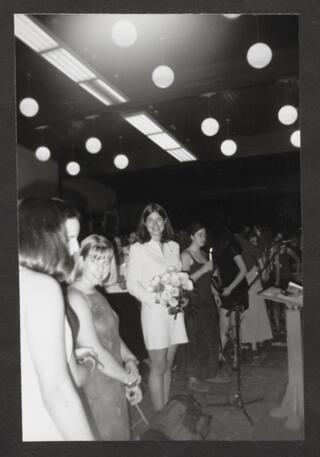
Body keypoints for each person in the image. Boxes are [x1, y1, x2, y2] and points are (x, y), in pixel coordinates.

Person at [18, 197, 94, 441]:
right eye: (69, 238)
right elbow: (57, 393)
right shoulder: (42, 287)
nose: (76, 248)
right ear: (41, 237)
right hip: (40, 423)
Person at [68, 234, 142, 440]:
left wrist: (130, 362)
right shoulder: (76, 297)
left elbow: (114, 337)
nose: (102, 267)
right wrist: (128, 379)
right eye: (96, 259)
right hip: (94, 385)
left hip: (113, 379)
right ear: (81, 260)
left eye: (107, 260)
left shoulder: (97, 293)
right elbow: (95, 350)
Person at [127, 203, 188, 411]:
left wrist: (182, 295)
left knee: (169, 364)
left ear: (165, 222)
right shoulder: (138, 248)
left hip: (174, 312)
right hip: (154, 312)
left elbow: (178, 276)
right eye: (150, 220)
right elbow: (132, 284)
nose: (155, 224)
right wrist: (155, 298)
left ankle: (167, 408)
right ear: (145, 223)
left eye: (159, 220)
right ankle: (160, 415)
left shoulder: (174, 246)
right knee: (158, 365)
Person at [180, 223, 229, 393]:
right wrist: (203, 270)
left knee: (210, 337)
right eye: (200, 234)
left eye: (205, 234)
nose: (203, 237)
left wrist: (215, 293)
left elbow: (209, 279)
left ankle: (210, 372)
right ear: (192, 236)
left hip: (207, 300)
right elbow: (182, 283)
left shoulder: (203, 254)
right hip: (193, 303)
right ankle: (192, 379)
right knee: (195, 338)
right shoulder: (186, 255)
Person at [210, 223, 248, 364]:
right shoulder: (219, 250)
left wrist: (230, 288)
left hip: (237, 289)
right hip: (226, 290)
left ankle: (237, 358)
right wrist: (215, 290)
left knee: (235, 325)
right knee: (223, 326)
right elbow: (218, 271)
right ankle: (219, 355)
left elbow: (243, 270)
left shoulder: (231, 247)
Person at [234, 230, 273, 360]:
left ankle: (254, 345)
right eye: (252, 241)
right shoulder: (252, 253)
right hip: (250, 287)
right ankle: (253, 346)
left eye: (256, 241)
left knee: (254, 315)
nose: (254, 244)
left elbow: (265, 276)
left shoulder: (245, 253)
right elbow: (265, 276)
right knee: (252, 315)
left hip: (252, 287)